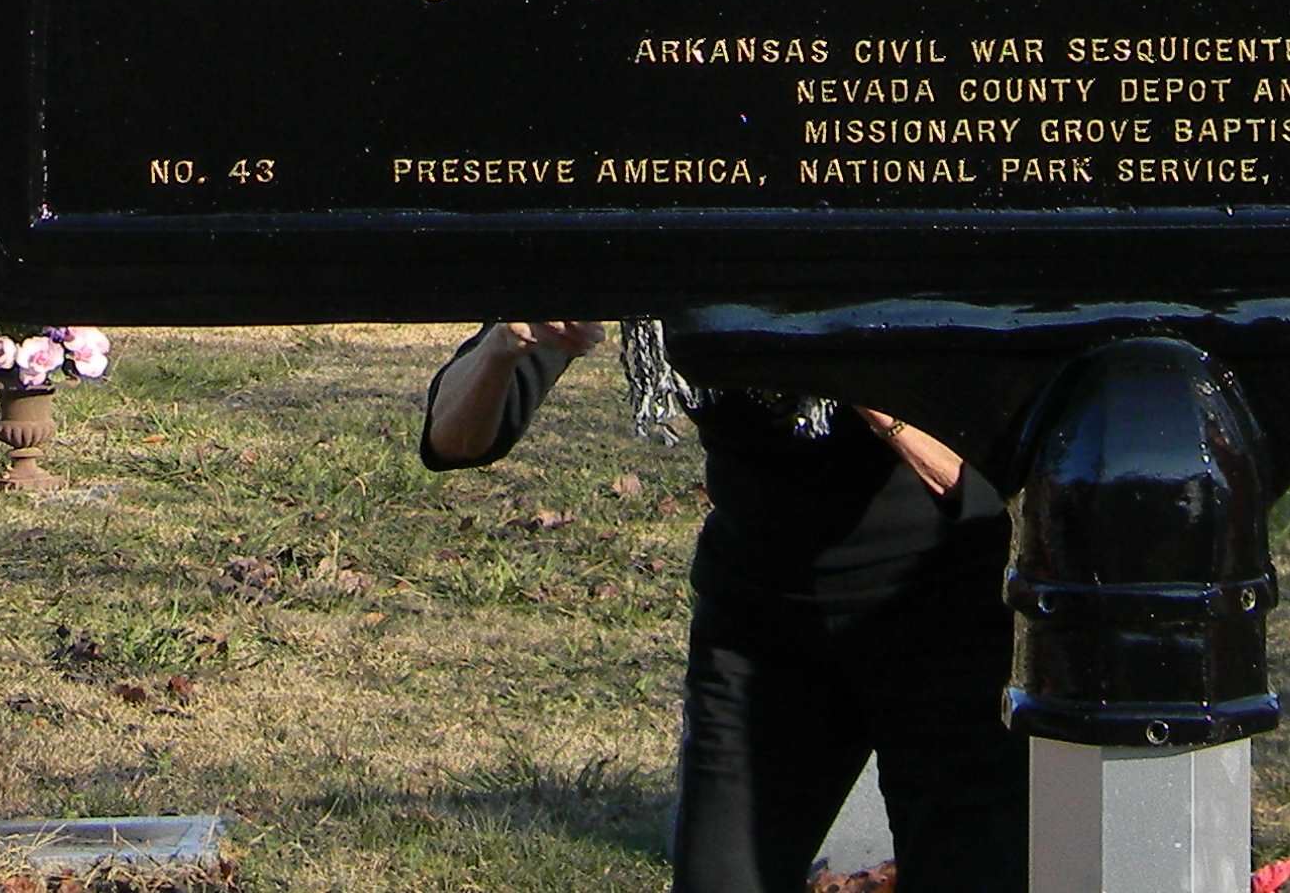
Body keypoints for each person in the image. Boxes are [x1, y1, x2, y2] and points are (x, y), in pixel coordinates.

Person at [421, 318, 1024, 893]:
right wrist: (507, 343)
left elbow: (986, 477)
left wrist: (838, 374)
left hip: (944, 616)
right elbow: (451, 440)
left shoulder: (885, 238)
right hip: (760, 631)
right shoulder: (673, 242)